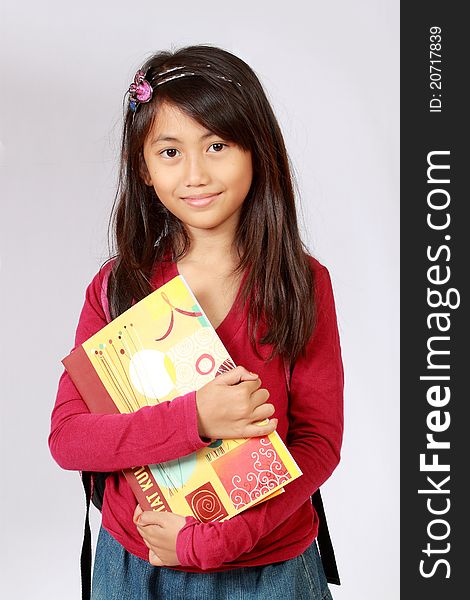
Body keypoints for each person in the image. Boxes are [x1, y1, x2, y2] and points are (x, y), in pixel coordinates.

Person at [49, 44, 344, 600]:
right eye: (169, 151)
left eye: (217, 145)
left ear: (256, 151)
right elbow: (68, 439)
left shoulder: (301, 282)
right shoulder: (118, 287)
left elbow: (318, 443)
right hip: (138, 566)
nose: (196, 174)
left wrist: (210, 543)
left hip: (269, 568)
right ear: (142, 165)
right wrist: (197, 419)